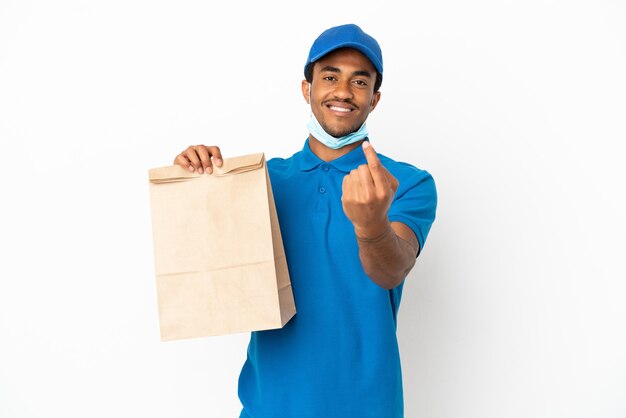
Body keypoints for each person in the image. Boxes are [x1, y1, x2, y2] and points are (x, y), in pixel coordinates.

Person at [173, 23, 437, 418]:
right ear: (306, 89)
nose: (343, 91)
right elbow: (210, 277)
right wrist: (198, 183)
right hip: (269, 407)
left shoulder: (405, 183)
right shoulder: (262, 181)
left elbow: (392, 270)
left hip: (367, 408)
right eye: (330, 77)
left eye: (359, 82)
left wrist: (371, 225)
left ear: (374, 99)